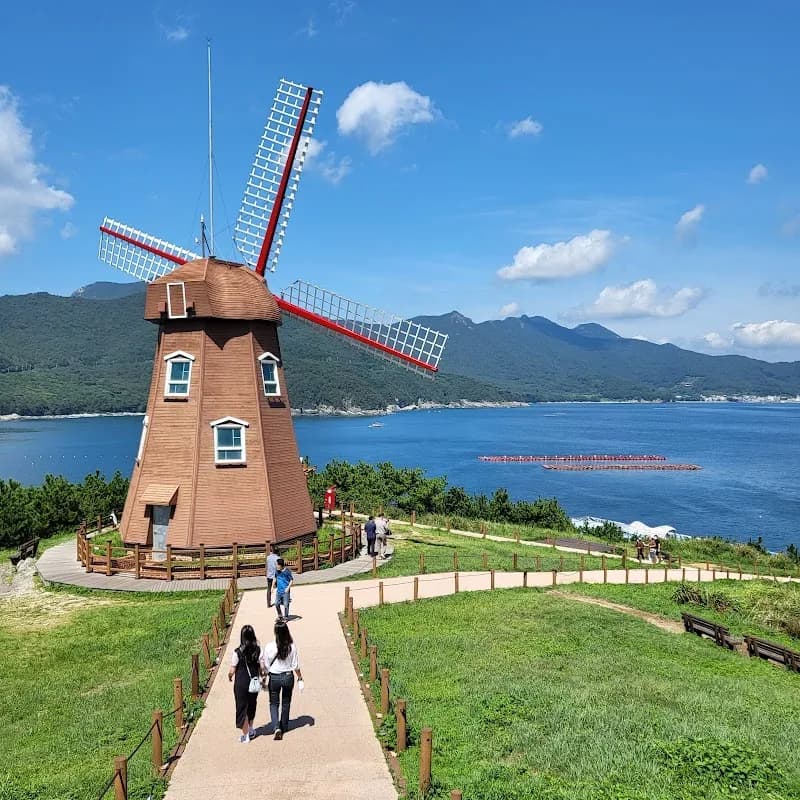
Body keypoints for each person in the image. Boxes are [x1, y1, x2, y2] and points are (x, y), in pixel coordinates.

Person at [261, 619, 304, 740]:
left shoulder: (269, 646)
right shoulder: (292, 646)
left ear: (275, 632)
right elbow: (295, 665)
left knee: (274, 703)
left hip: (274, 677)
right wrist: (300, 678)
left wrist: (265, 676)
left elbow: (266, 665)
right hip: (288, 677)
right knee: (286, 702)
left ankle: (276, 727)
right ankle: (284, 725)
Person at [227, 624, 262, 743]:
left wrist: (230, 676)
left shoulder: (237, 652)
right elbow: (260, 666)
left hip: (241, 683)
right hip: (254, 682)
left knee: (242, 707)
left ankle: (245, 735)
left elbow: (232, 669)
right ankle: (251, 729)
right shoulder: (257, 649)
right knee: (252, 705)